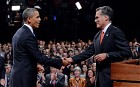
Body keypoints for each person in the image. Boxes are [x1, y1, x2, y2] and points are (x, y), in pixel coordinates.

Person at [65, 6, 132, 87]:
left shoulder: (116, 32)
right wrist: (71, 59)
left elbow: (127, 52)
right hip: (99, 80)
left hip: (112, 79)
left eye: (97, 17)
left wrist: (107, 55)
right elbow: (88, 52)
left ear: (106, 18)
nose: (95, 20)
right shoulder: (98, 35)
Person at [10, 8, 69, 87]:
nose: (40, 19)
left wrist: (33, 65)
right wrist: (60, 62)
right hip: (24, 79)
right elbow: (40, 58)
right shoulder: (28, 35)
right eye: (37, 17)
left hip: (17, 77)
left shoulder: (18, 32)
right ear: (29, 19)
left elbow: (17, 57)